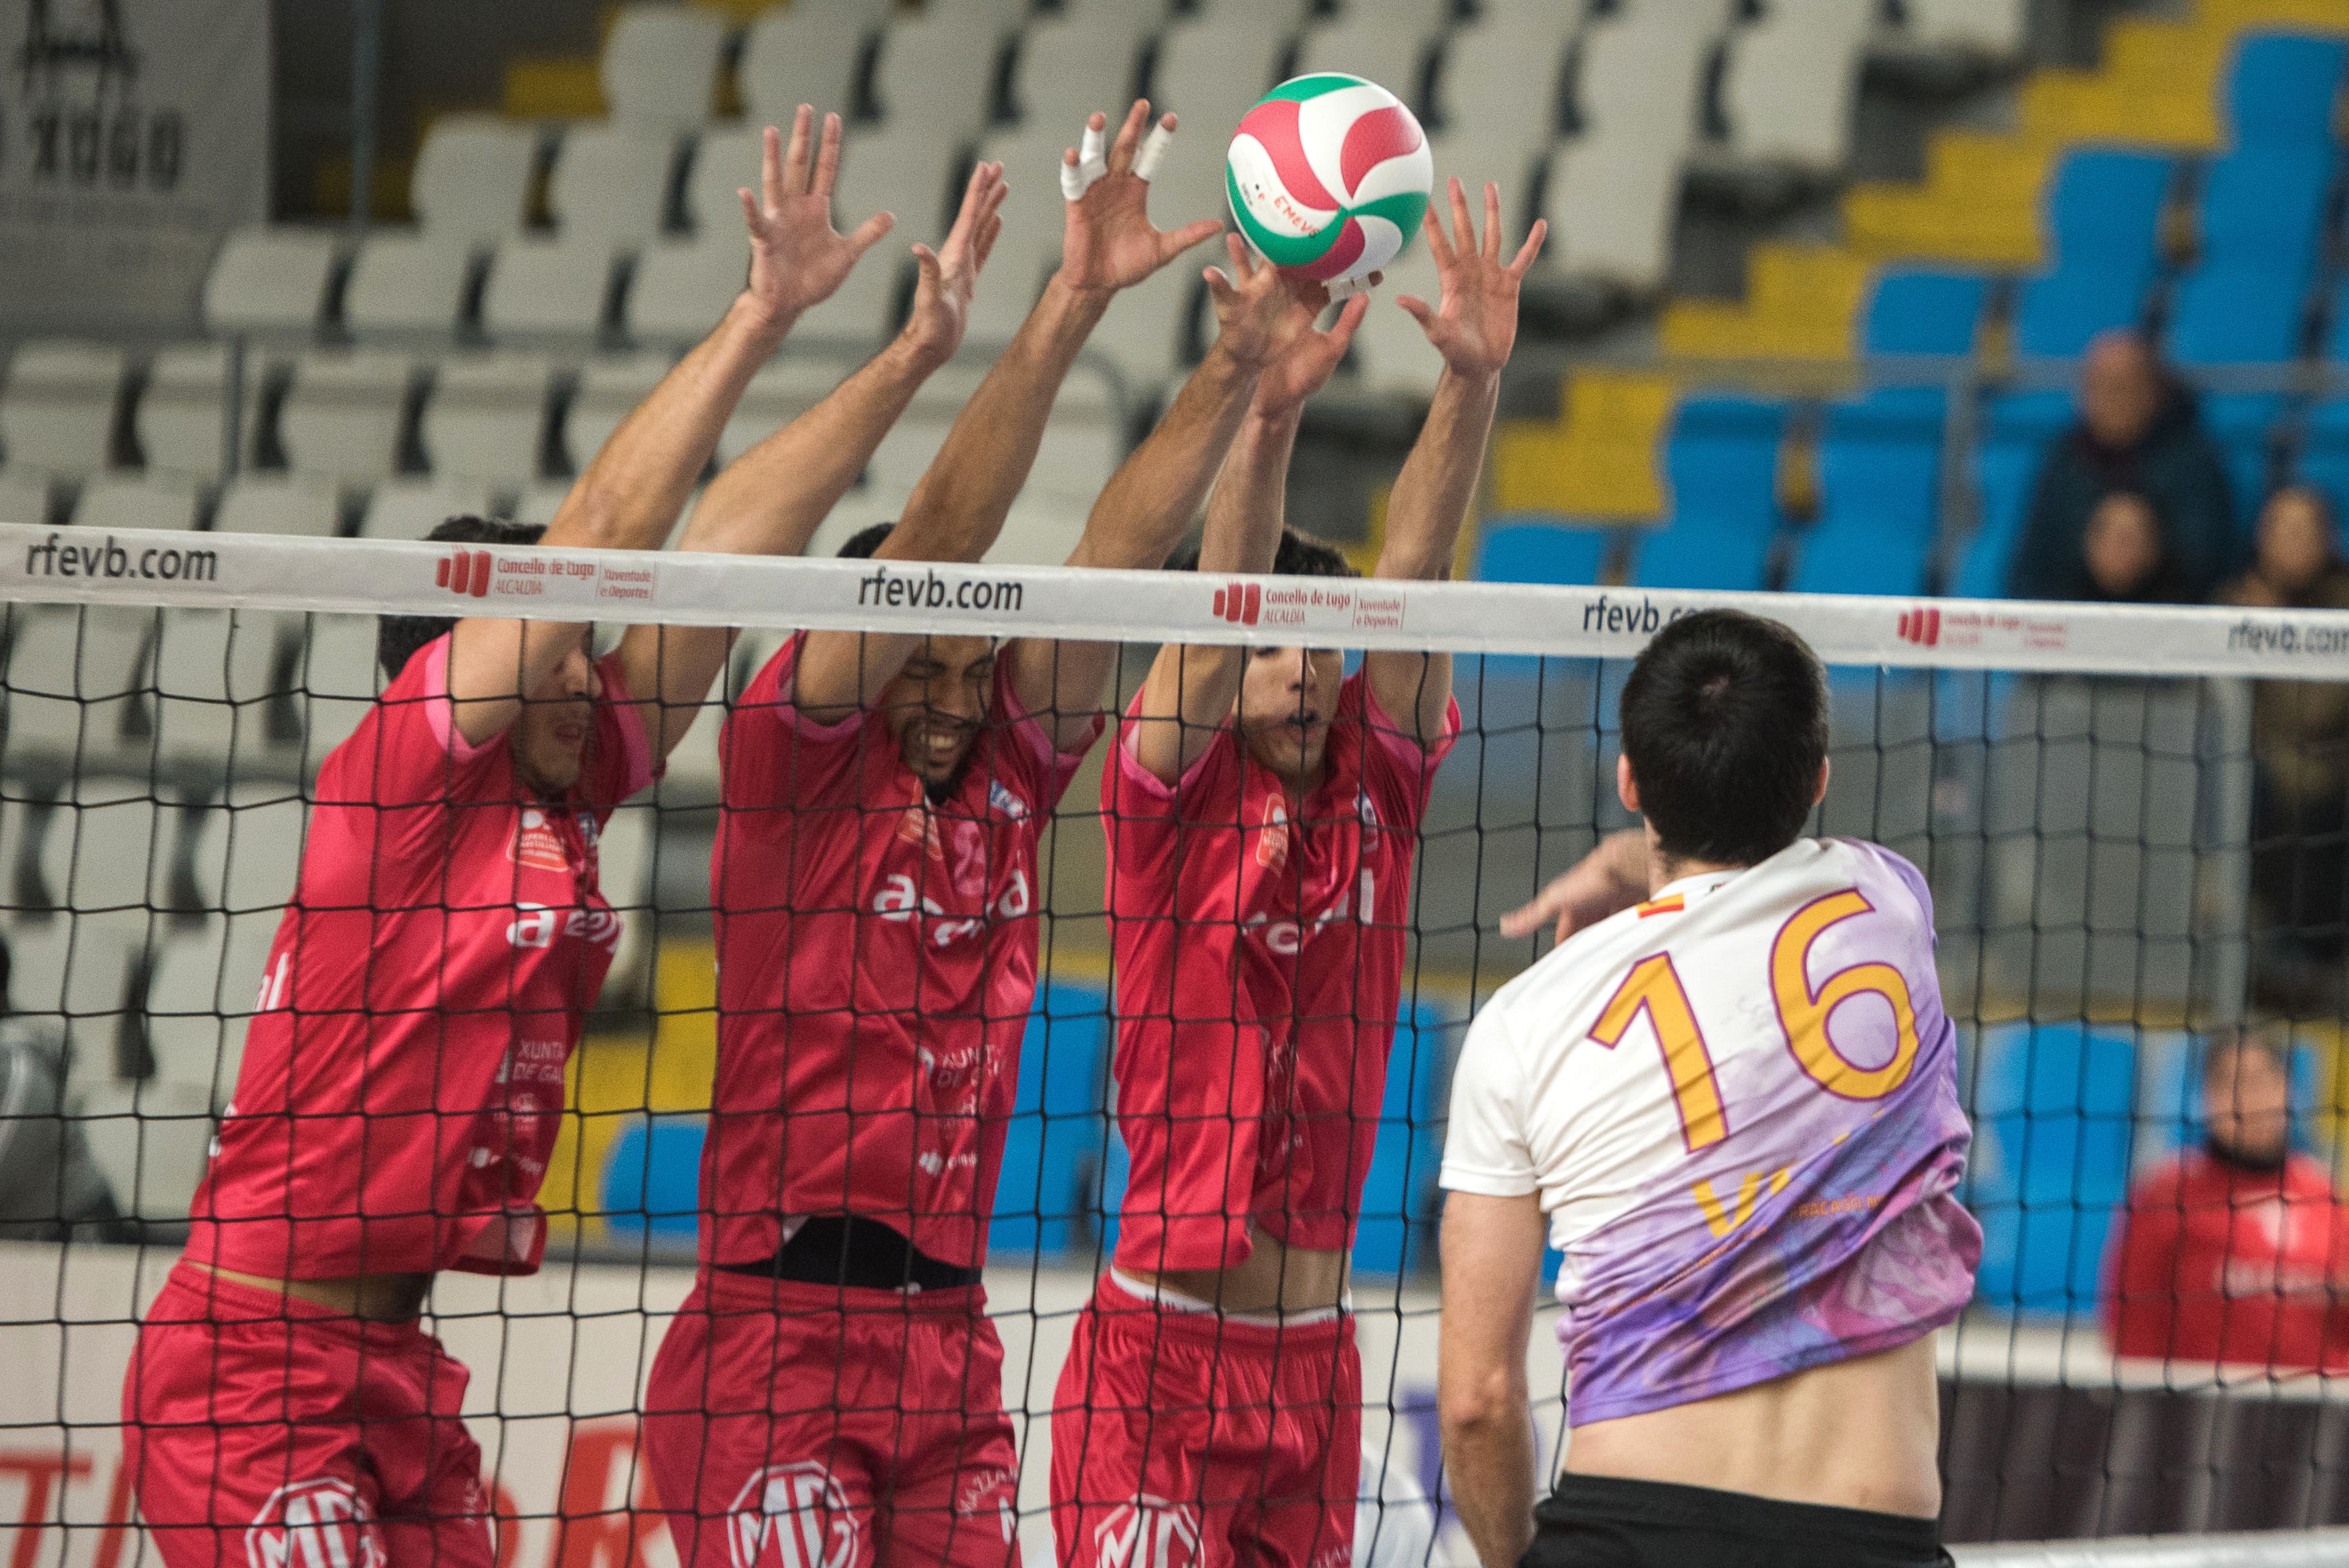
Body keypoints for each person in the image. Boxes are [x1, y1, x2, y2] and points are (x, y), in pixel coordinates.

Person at [119, 108, 947, 1568]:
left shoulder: (570, 789)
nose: (587, 673)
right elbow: (607, 522)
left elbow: (715, 561)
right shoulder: (404, 778)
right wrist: (757, 314)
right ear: (463, 662)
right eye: (557, 647)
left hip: (395, 1372)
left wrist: (904, 362)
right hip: (252, 1368)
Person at [640, 101, 1336, 1568]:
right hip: (776, 1330)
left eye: (974, 670)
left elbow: (1115, 557)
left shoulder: (1009, 764)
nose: (957, 700)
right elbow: (937, 547)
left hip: (947, 1344)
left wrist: (1233, 365)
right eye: (926, 668)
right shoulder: (791, 758)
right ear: (859, 648)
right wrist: (1067, 306)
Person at [1050, 181, 1547, 1568]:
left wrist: (1470, 381)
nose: (1303, 668)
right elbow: (1216, 615)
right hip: (1157, 1357)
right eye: (1277, 644)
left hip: (1314, 1365)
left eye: (1320, 645)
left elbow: (1415, 566)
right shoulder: (1165, 796)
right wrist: (1266, 414)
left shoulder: (1379, 787)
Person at [1437, 610, 1981, 1568]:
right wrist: (1630, 864)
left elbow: (1478, 1399)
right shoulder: (1889, 904)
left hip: (1624, 1531)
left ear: (1629, 781)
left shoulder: (1522, 1021)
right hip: (1864, 1536)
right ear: (1817, 781)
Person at [2104, 1028, 2349, 1369]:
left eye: (2264, 1080)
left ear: (2288, 1089)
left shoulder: (2324, 1194)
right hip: (2205, 1395)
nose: (2251, 1100)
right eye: (2232, 1084)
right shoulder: (2166, 1194)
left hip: (2316, 1394)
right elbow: (2133, 1332)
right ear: (2207, 1098)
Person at [2221, 485, 2349, 997]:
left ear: (2327, 539)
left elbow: (2318, 713)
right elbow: (2204, 708)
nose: (2291, 542)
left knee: (2307, 809)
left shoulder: (2341, 608)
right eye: (2281, 529)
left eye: (2304, 531)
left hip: (2325, 775)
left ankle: (2308, 962)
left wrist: (2273, 636)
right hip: (2240, 769)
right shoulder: (2229, 603)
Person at [2008, 330, 2235, 603]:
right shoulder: (2064, 460)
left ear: (2153, 390)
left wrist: (2149, 552)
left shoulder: (2194, 461)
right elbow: (2032, 566)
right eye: (2096, 387)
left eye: (2122, 386)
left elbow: (2211, 563)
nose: (2108, 399)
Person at [2078, 489, 2194, 604]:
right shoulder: (2069, 599)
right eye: (2115, 536)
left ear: (2153, 546)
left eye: (2131, 536)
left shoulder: (2180, 605)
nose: (2121, 546)